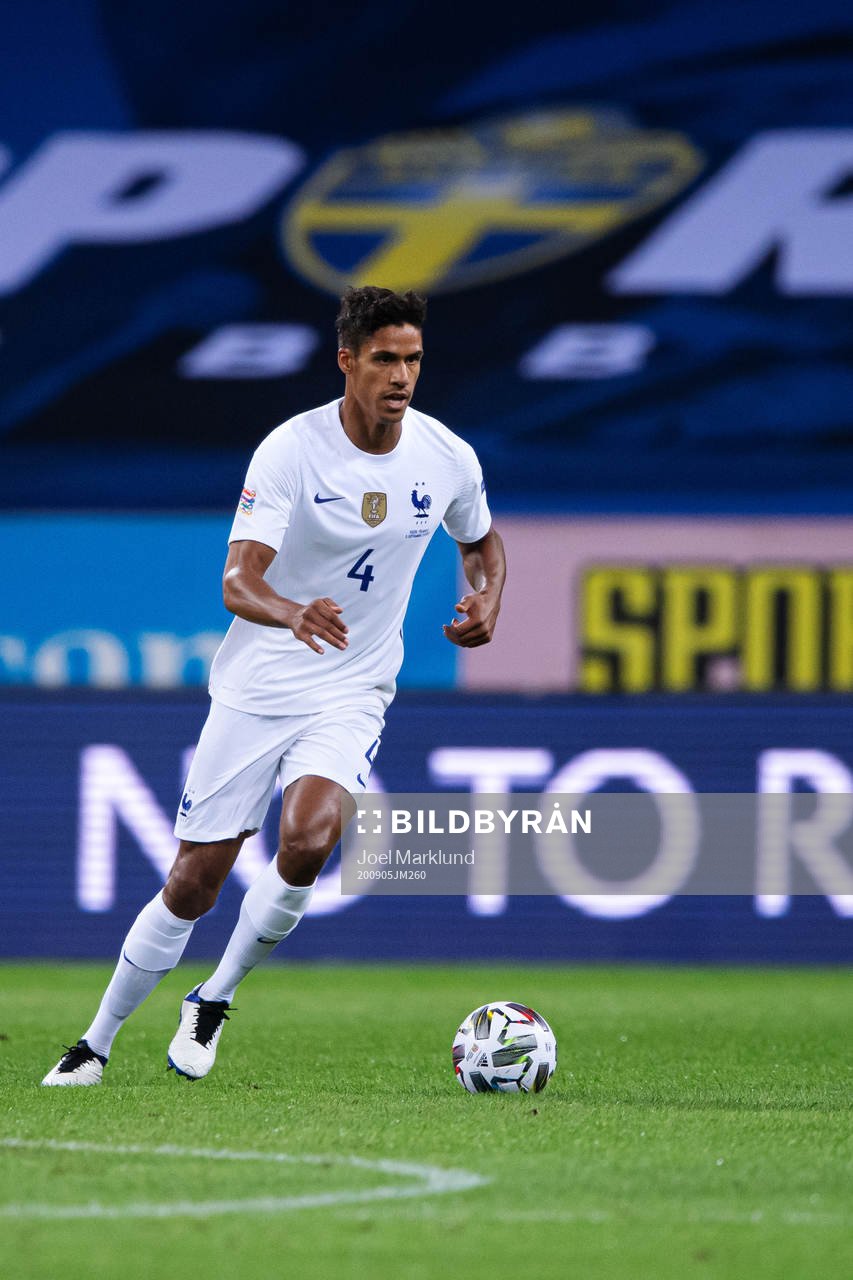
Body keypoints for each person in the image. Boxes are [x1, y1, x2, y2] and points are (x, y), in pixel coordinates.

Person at [43, 285, 505, 1085]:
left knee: (311, 834)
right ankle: (96, 1040)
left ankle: (214, 998)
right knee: (194, 882)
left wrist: (487, 597)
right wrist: (289, 612)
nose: (402, 376)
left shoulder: (446, 456)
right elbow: (236, 579)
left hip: (353, 685)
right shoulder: (291, 449)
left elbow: (481, 543)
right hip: (259, 685)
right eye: (386, 359)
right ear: (348, 361)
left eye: (414, 359)